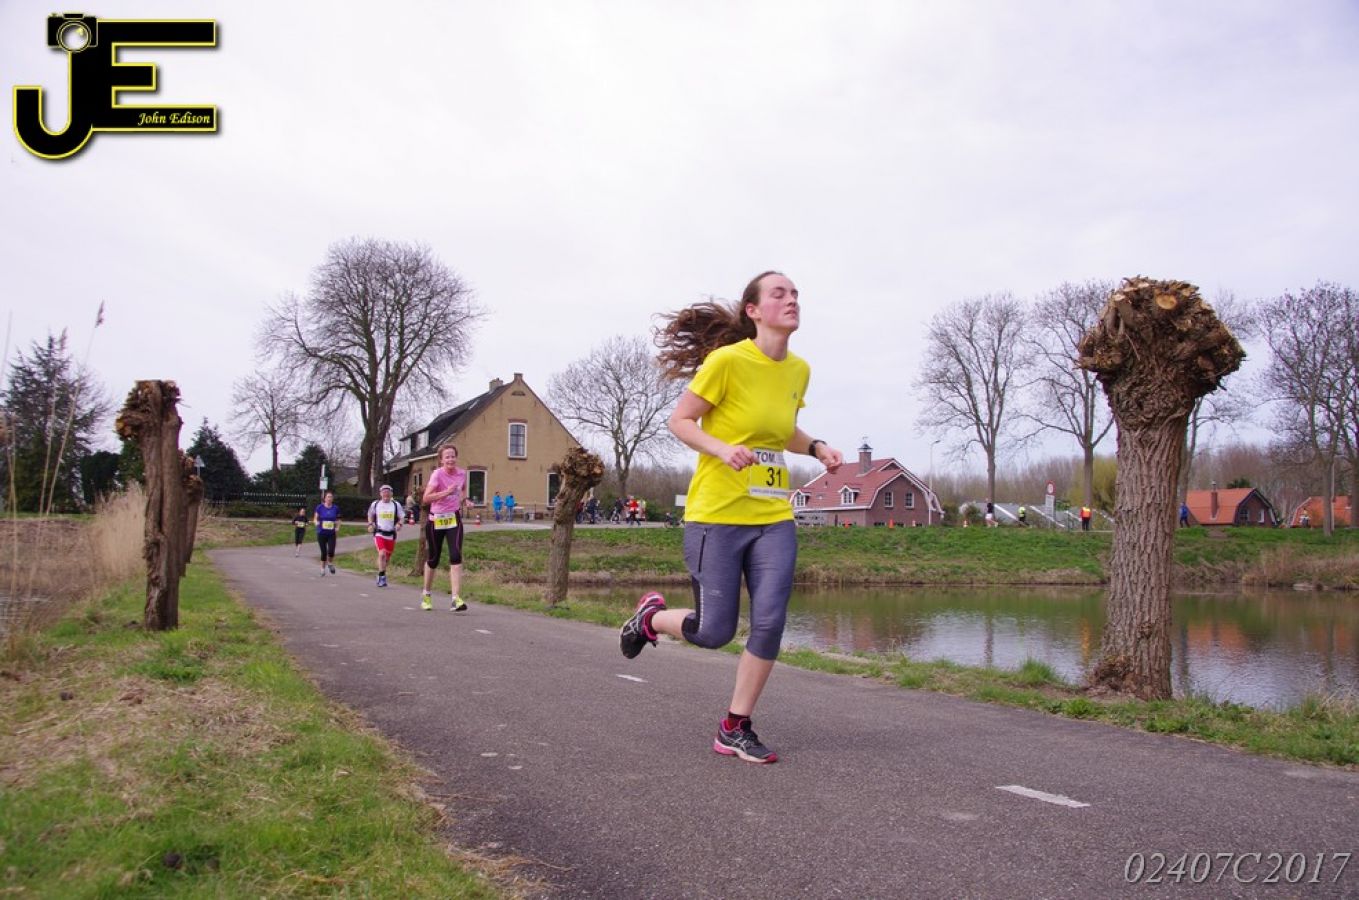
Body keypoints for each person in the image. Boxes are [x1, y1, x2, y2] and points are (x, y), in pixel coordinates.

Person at [619, 270, 844, 764]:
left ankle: (735, 726)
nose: (792, 300)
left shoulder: (798, 370)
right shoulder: (726, 361)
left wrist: (816, 446)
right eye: (779, 294)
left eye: (795, 294)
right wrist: (722, 449)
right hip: (717, 516)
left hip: (773, 515)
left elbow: (780, 429)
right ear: (753, 311)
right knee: (714, 632)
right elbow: (680, 420)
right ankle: (651, 618)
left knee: (770, 621)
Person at [422, 444, 471, 611]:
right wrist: (446, 493)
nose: (451, 459)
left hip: (453, 519)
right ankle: (426, 594)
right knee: (433, 559)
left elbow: (462, 490)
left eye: (453, 456)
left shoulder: (462, 474)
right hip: (436, 519)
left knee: (456, 556)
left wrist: (465, 500)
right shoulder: (437, 474)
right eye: (447, 457)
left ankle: (456, 598)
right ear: (441, 460)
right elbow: (426, 498)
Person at [367, 484, 404, 588]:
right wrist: (370, 524)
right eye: (384, 492)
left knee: (386, 558)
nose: (386, 494)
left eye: (388, 492)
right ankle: (382, 577)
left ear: (391, 494)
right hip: (379, 533)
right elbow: (370, 515)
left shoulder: (396, 505)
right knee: (382, 553)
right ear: (380, 494)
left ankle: (381, 572)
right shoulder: (376, 504)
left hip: (391, 535)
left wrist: (399, 524)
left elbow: (402, 517)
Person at [313, 491, 340, 576]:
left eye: (331, 497)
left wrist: (337, 527)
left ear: (332, 499)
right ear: (324, 498)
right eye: (328, 497)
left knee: (331, 551)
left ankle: (330, 563)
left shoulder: (335, 508)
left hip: (331, 533)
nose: (329, 498)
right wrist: (316, 522)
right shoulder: (320, 507)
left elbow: (338, 519)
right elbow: (315, 518)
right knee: (324, 552)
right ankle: (322, 569)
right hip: (321, 533)